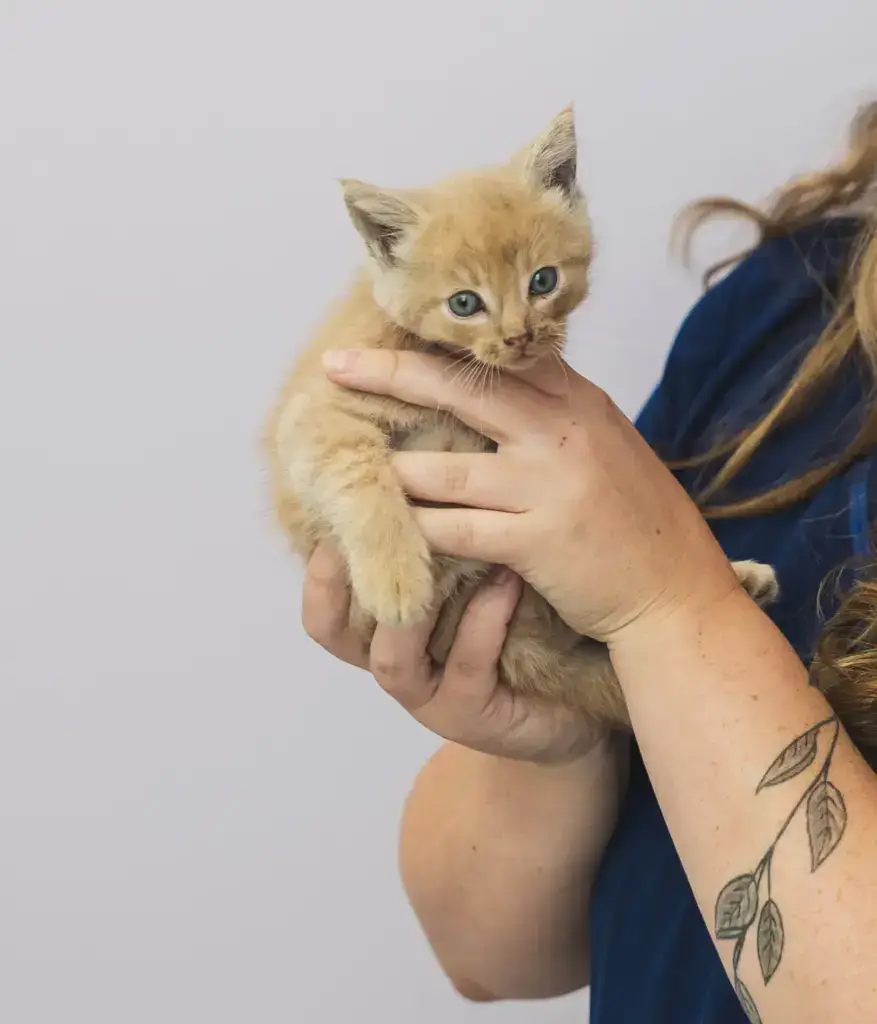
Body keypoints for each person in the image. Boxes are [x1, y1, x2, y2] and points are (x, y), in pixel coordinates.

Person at [300, 104, 877, 1023]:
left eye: (538, 285)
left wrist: (672, 609)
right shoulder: (780, 316)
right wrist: (560, 738)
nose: (522, 331)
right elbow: (484, 953)